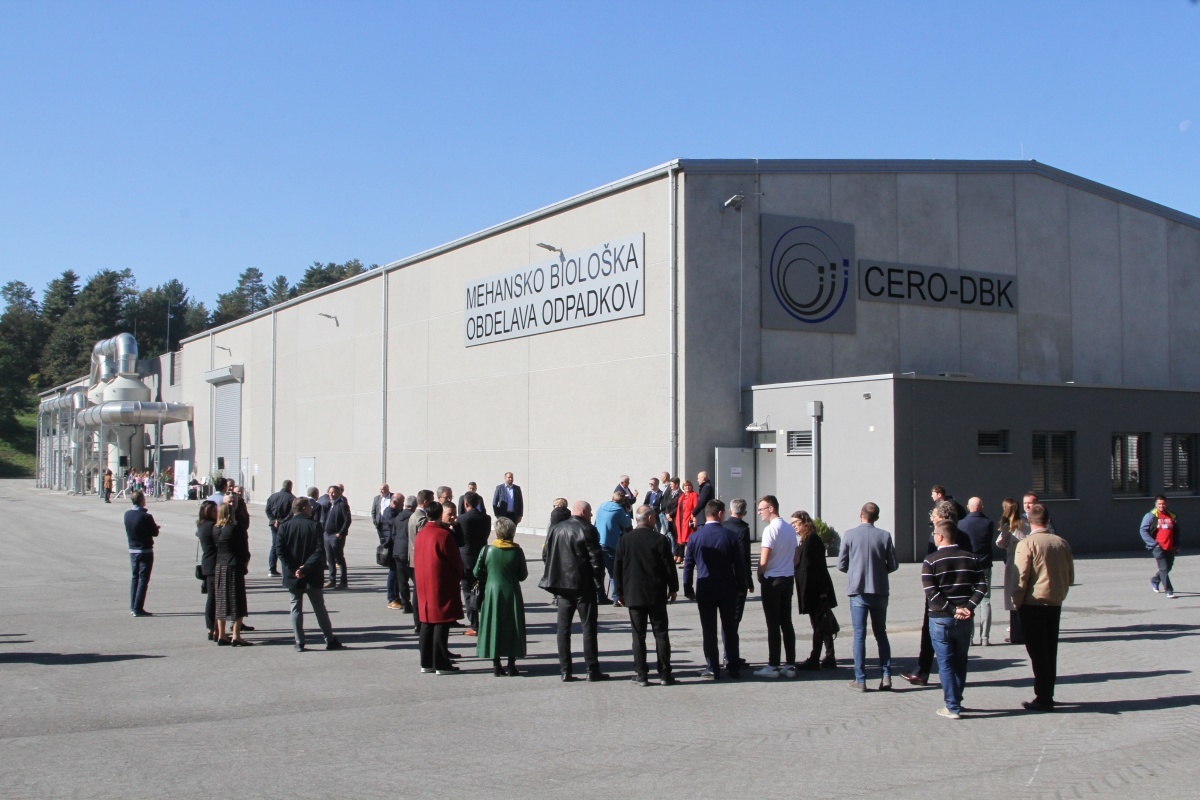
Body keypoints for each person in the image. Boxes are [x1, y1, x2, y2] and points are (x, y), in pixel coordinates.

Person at [922, 520, 987, 720]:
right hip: (964, 619)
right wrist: (968, 607)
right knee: (960, 661)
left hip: (941, 618)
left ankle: (952, 706)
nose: (933, 536)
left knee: (945, 663)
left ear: (941, 536)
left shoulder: (930, 561)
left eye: (934, 533)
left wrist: (952, 609)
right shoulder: (972, 558)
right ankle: (957, 699)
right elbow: (981, 586)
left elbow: (931, 593)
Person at [1012, 503, 1074, 712]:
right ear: (1047, 521)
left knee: (1037, 652)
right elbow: (1070, 575)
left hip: (1033, 602)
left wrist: (1016, 600)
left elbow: (1021, 576)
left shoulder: (1027, 544)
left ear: (1029, 521)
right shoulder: (1061, 543)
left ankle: (1043, 696)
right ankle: (1047, 692)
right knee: (1049, 650)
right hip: (1054, 602)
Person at [539, 500, 608, 682]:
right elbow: (596, 559)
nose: (592, 516)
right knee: (589, 628)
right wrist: (598, 582)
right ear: (584, 512)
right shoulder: (587, 529)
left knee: (563, 629)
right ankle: (592, 670)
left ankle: (565, 670)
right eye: (590, 512)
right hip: (583, 585)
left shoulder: (556, 528)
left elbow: (546, 555)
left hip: (562, 585)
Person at [615, 504, 678, 686]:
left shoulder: (625, 540)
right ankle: (665, 674)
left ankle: (641, 674)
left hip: (633, 594)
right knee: (661, 634)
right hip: (656, 594)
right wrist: (673, 588)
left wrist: (619, 592)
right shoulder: (660, 540)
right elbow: (669, 567)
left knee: (638, 635)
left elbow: (617, 568)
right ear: (650, 519)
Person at [838, 502, 898, 691]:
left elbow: (841, 564)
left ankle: (861, 679)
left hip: (858, 590)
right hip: (880, 589)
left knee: (859, 635)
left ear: (860, 514)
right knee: (881, 634)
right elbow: (894, 564)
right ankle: (886, 675)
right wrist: (881, 571)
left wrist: (855, 571)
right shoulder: (885, 536)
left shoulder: (849, 535)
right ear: (877, 517)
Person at [903, 498, 964, 686]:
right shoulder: (962, 536)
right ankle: (934, 674)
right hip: (957, 597)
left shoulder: (938, 538)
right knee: (950, 639)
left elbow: (931, 564)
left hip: (940, 597)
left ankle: (928, 674)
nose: (932, 519)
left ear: (944, 518)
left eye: (935, 517)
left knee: (935, 636)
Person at [683, 499, 745, 680]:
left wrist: (687, 587)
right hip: (727, 588)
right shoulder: (730, 536)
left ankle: (712, 667)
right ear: (719, 513)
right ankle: (733, 666)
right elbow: (738, 565)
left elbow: (688, 565)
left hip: (705, 587)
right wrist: (741, 586)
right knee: (730, 628)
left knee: (708, 629)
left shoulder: (695, 537)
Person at [277, 497, 343, 651]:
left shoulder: (284, 526)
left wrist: (294, 569)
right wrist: (305, 568)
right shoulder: (315, 526)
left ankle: (299, 641)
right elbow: (319, 550)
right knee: (319, 607)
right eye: (310, 506)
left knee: (295, 607)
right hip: (312, 574)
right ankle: (329, 639)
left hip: (293, 574)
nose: (312, 509)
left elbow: (280, 550)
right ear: (304, 508)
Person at [414, 502, 464, 674]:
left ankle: (426, 662)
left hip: (423, 583)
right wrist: (458, 576)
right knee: (441, 622)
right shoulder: (443, 535)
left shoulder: (420, 534)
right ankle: (441, 663)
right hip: (440, 582)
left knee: (427, 622)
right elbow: (455, 562)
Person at [473, 517, 528, 677]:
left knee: (493, 624)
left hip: (492, 591)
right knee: (513, 626)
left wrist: (487, 578)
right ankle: (511, 664)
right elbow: (522, 575)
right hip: (511, 591)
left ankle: (496, 664)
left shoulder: (487, 550)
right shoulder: (517, 551)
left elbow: (476, 572)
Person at [755, 495, 798, 678]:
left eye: (761, 509)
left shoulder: (770, 530)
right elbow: (795, 558)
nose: (759, 513)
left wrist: (759, 573)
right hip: (788, 578)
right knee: (786, 622)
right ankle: (790, 664)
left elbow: (764, 559)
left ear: (771, 508)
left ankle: (773, 665)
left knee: (773, 624)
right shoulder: (789, 528)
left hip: (772, 579)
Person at [793, 510, 837, 670]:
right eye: (792, 524)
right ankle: (829, 655)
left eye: (796, 523)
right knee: (821, 622)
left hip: (816, 589)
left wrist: (823, 590)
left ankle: (815, 657)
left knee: (819, 623)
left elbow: (819, 567)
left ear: (805, 522)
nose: (794, 527)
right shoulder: (805, 540)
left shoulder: (813, 539)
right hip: (811, 589)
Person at [722, 498, 756, 673]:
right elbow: (744, 558)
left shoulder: (723, 526)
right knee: (734, 620)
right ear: (744, 513)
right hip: (737, 580)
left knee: (727, 620)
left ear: (730, 511)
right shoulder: (743, 529)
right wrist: (748, 581)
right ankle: (731, 655)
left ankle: (728, 654)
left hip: (723, 578)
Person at [213, 498, 252, 645]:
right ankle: (236, 635)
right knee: (237, 600)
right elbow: (242, 549)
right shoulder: (235, 528)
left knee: (222, 601)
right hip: (234, 565)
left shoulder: (215, 529)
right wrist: (246, 560)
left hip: (220, 565)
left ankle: (221, 634)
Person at [957, 497, 995, 645]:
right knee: (985, 600)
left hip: (967, 565)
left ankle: (970, 637)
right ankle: (985, 637)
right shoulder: (988, 523)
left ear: (968, 507)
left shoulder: (961, 523)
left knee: (968, 599)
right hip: (984, 564)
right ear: (982, 507)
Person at [456, 492, 492, 634]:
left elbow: (458, 539)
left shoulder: (461, 519)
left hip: (466, 558)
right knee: (481, 590)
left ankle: (474, 624)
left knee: (468, 591)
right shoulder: (486, 518)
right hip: (482, 557)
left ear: (465, 504)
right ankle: (484, 621)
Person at [124, 489, 159, 617]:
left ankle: (133, 605)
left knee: (135, 578)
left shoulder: (127, 514)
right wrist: (155, 528)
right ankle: (138, 607)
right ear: (141, 500)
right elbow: (154, 532)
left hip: (132, 549)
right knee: (143, 579)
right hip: (145, 550)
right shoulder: (146, 516)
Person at [594, 491, 633, 604]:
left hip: (598, 541)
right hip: (611, 544)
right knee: (614, 573)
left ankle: (600, 596)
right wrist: (627, 511)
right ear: (622, 501)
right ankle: (617, 598)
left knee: (599, 572)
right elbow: (626, 524)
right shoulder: (619, 510)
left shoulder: (602, 506)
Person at [1141, 495, 1180, 599]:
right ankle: (1169, 590)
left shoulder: (1172, 516)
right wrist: (1153, 544)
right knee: (1163, 568)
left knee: (1168, 567)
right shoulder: (1151, 516)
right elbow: (1143, 530)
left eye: (1163, 504)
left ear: (1166, 504)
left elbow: (1176, 532)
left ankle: (1155, 579)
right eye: (1159, 504)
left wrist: (1176, 545)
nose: (1161, 506)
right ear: (1156, 504)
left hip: (1170, 547)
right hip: (1158, 547)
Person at [196, 500, 219, 639]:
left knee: (212, 597)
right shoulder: (211, 526)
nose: (217, 513)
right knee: (215, 597)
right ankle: (213, 627)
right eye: (214, 511)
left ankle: (211, 627)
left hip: (207, 563)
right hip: (213, 563)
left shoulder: (201, 525)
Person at [264, 479, 295, 578]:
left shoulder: (273, 496)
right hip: (285, 525)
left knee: (275, 545)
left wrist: (273, 520)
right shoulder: (292, 498)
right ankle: (288, 567)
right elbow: (292, 513)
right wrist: (282, 521)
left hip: (274, 525)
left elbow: (267, 510)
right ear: (290, 487)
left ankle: (272, 568)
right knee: (286, 546)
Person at [322, 485, 351, 589]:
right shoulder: (329, 505)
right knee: (330, 559)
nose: (331, 495)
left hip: (336, 536)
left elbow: (347, 520)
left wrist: (341, 533)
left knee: (339, 559)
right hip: (327, 535)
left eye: (333, 493)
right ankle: (332, 579)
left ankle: (343, 582)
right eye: (330, 492)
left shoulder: (342, 505)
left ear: (339, 493)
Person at [392, 495, 417, 612]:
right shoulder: (413, 518)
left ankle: (406, 604)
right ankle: (417, 604)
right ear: (415, 506)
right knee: (416, 580)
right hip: (409, 552)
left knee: (402, 581)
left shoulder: (398, 517)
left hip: (398, 551)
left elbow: (393, 534)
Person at [380, 493, 404, 609]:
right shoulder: (390, 513)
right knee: (393, 573)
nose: (403, 506)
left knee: (397, 572)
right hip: (391, 547)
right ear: (395, 503)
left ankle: (396, 597)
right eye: (401, 503)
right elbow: (392, 528)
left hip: (394, 546)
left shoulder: (394, 512)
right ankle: (392, 598)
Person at [674, 479, 698, 563]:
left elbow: (696, 508)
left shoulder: (694, 495)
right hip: (681, 521)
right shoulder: (682, 496)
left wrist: (693, 519)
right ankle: (686, 559)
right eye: (685, 486)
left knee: (688, 540)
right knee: (683, 541)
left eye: (689, 485)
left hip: (688, 520)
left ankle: (688, 560)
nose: (687, 487)